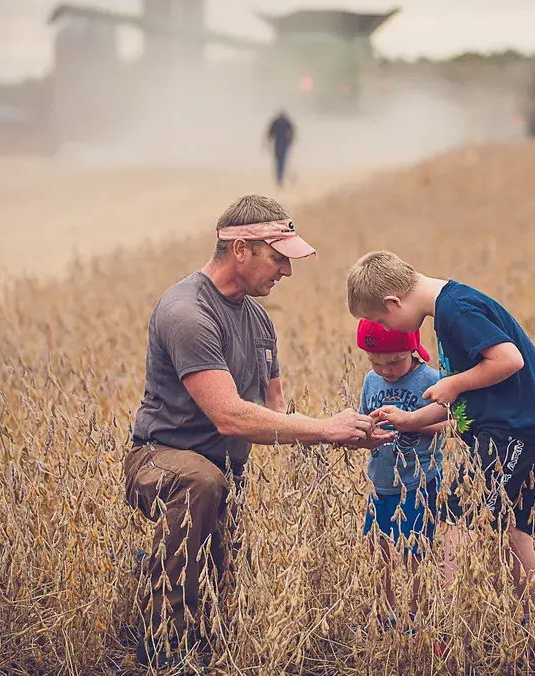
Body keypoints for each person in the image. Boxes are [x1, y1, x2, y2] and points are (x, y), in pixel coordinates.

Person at [125, 194, 387, 669]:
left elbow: (275, 409)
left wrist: (352, 430)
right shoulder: (188, 312)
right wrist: (324, 430)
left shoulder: (259, 319)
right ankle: (163, 645)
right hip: (162, 458)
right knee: (201, 484)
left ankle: (185, 607)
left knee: (227, 581)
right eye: (278, 257)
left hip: (228, 471)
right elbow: (230, 416)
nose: (286, 271)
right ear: (241, 249)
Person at [345, 250, 535, 657]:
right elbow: (465, 395)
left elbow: (508, 360)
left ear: (393, 304)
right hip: (519, 428)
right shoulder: (448, 309)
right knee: (513, 530)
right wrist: (411, 419)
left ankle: (447, 627)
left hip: (515, 430)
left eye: (382, 321)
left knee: (458, 519)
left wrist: (453, 385)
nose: (384, 328)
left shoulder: (455, 310)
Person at [354, 319, 445, 633]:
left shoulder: (431, 380)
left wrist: (410, 423)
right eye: (376, 362)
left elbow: (452, 424)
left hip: (419, 483)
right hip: (380, 482)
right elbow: (365, 419)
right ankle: (385, 613)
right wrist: (362, 435)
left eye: (393, 362)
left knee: (415, 552)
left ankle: (418, 620)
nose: (386, 371)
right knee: (376, 548)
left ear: (413, 349)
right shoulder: (371, 381)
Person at [264, 109, 295, 187]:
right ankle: (280, 177)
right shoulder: (286, 121)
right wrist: (291, 141)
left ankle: (279, 177)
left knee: (279, 161)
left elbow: (270, 133)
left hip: (279, 143)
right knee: (281, 160)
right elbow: (292, 132)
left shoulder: (276, 121)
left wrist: (268, 141)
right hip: (283, 143)